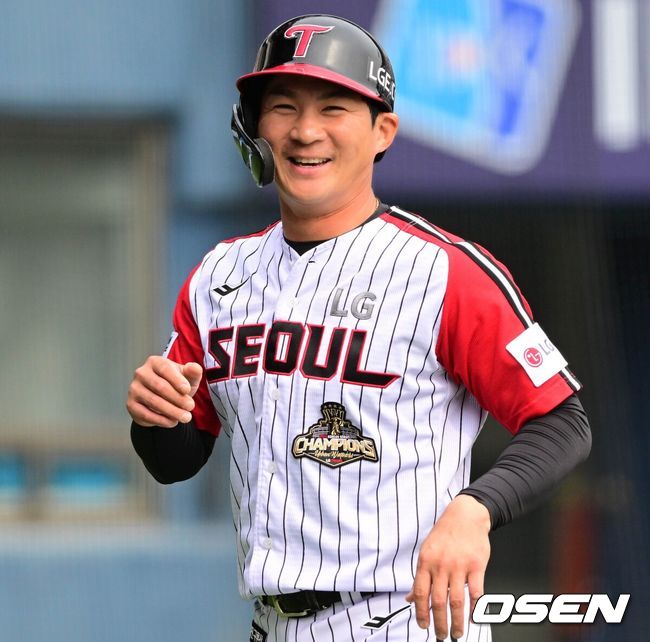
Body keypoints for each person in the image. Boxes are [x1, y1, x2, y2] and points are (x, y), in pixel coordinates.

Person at [126, 14, 591, 642]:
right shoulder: (218, 277)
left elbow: (562, 422)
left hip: (404, 617)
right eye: (283, 107)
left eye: (334, 108)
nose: (305, 130)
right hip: (269, 622)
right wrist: (155, 417)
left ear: (382, 131)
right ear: (254, 128)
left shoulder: (443, 272)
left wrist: (477, 507)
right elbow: (175, 460)